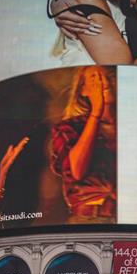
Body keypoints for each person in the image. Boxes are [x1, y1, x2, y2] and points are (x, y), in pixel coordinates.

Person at [50, 66, 116, 223]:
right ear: (83, 90)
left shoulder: (133, 126)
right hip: (91, 220)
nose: (104, 82)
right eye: (95, 79)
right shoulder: (68, 128)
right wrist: (96, 112)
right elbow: (76, 172)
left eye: (111, 76)